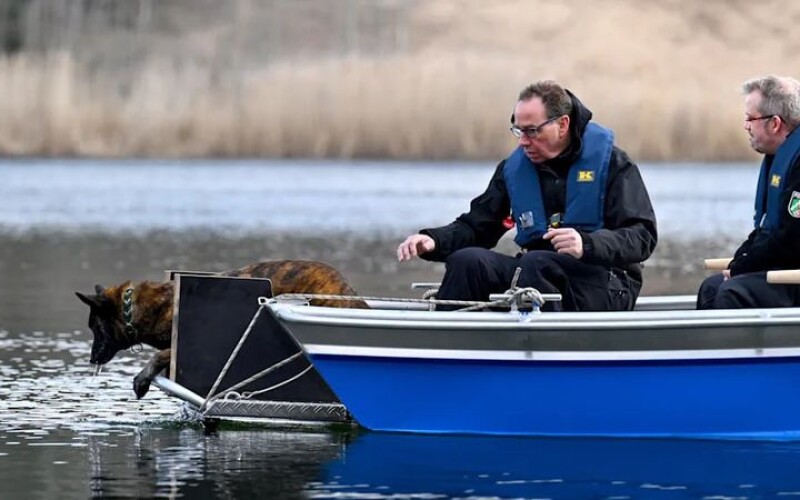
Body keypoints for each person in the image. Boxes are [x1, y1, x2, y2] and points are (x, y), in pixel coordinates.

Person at [396, 80, 657, 311]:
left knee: (536, 264)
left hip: (606, 282)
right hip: (535, 274)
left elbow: (642, 237)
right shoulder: (514, 170)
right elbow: (477, 228)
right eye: (518, 131)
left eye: (532, 131)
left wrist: (587, 244)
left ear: (562, 124)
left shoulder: (612, 164)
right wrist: (433, 241)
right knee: (467, 261)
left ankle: (543, 356)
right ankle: (447, 352)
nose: (523, 141)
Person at [697, 75, 800, 309]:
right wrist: (740, 261)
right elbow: (767, 230)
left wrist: (741, 268)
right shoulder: (780, 157)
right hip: (786, 269)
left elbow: (792, 238)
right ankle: (707, 346)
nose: (745, 125)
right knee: (712, 287)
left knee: (732, 292)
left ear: (774, 123)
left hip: (795, 274)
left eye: (750, 118)